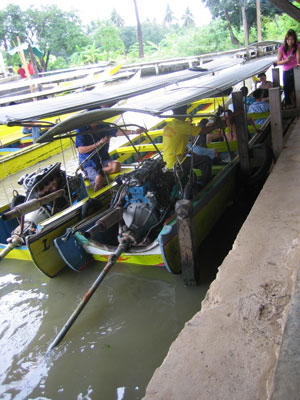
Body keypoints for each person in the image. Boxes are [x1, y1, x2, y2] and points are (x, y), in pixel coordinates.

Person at [162, 105, 221, 187]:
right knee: (206, 160)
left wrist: (195, 155)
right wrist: (217, 125)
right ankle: (204, 186)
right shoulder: (182, 126)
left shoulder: (170, 125)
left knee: (193, 170)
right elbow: (203, 131)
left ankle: (195, 186)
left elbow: (184, 148)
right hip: (177, 162)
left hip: (168, 161)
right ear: (185, 113)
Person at [76, 122, 140, 191]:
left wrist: (134, 132)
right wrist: (98, 143)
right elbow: (81, 150)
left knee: (116, 165)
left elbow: (116, 131)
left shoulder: (103, 125)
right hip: (88, 162)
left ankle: (97, 172)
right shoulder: (81, 129)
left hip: (103, 159)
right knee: (98, 178)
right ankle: (98, 197)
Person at [275, 28, 300, 108]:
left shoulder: (297, 46)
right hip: (286, 70)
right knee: (287, 89)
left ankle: (296, 104)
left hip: (296, 69)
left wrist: (298, 63)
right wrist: (285, 61)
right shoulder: (281, 49)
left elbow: (298, 56)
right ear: (286, 39)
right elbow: (277, 62)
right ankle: (290, 105)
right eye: (288, 39)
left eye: (292, 39)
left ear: (295, 40)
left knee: (295, 88)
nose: (290, 41)